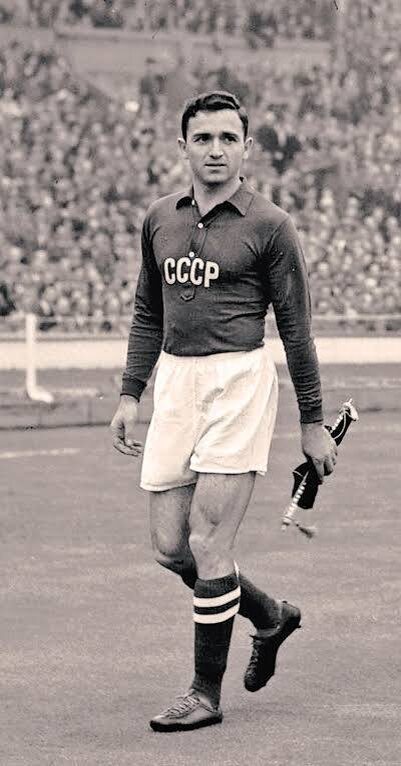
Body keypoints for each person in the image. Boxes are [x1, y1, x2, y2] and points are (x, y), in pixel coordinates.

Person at [110, 91, 337, 733]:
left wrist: (312, 423)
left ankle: (203, 695)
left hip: (239, 381)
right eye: (203, 138)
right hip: (176, 382)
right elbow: (148, 311)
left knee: (209, 542)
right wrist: (130, 393)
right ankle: (270, 615)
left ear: (246, 147)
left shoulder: (271, 225)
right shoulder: (160, 217)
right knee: (170, 547)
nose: (215, 150)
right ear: (183, 146)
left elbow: (296, 329)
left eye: (228, 138)